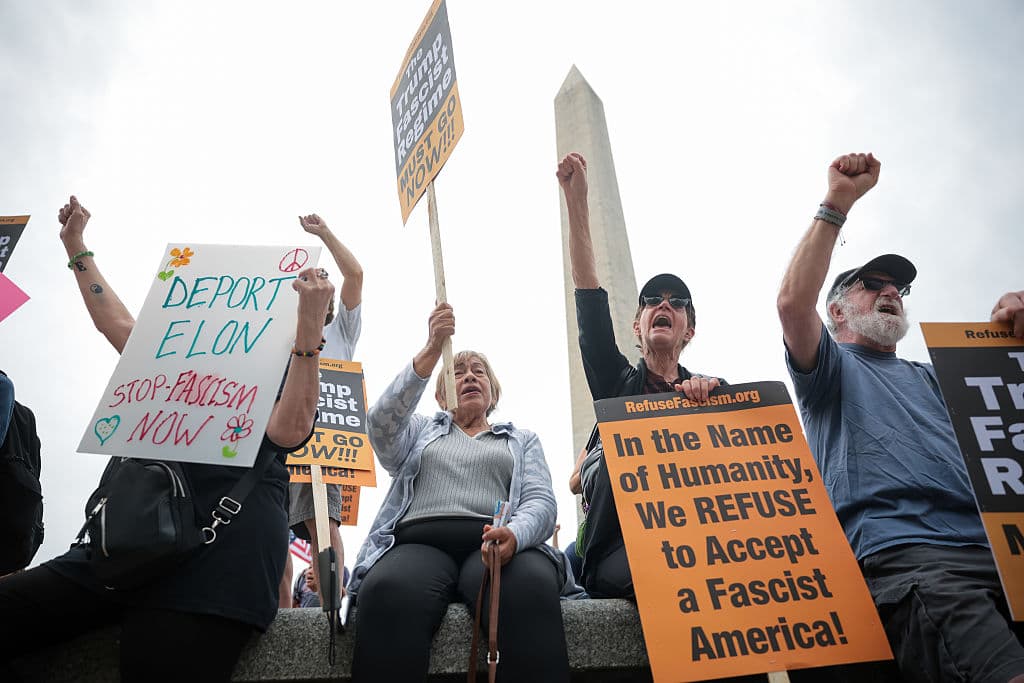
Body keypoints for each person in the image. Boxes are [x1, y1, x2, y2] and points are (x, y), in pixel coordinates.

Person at [0, 196, 328, 682]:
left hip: (217, 559)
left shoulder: (287, 364)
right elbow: (117, 323)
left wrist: (307, 332)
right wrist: (76, 247)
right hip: (130, 540)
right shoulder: (175, 356)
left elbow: (289, 429)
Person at [777, 153, 1024, 683]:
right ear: (838, 312)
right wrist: (837, 203)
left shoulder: (941, 378)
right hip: (911, 559)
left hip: (1003, 554)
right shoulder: (829, 371)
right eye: (873, 284)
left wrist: (1010, 334)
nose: (892, 292)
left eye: (899, 288)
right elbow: (794, 305)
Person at [348, 303, 575, 682]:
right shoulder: (418, 431)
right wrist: (431, 351)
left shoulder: (521, 440)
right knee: (387, 592)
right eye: (457, 371)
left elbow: (541, 501)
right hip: (417, 544)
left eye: (478, 372)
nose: (469, 376)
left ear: (492, 390)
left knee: (528, 590)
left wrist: (516, 535)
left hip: (495, 545)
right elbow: (380, 424)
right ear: (440, 397)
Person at [556, 152, 724, 598]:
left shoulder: (714, 396)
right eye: (652, 299)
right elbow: (590, 304)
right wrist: (576, 203)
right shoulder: (616, 387)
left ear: (690, 328)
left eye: (678, 301)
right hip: (622, 550)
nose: (664, 305)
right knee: (671, 569)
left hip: (700, 543)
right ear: (637, 325)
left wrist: (711, 409)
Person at [282, 212, 363, 608]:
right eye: (307, 279)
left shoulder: (342, 330)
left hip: (322, 440)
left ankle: (330, 612)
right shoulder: (282, 338)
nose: (316, 283)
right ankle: (280, 616)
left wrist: (325, 233)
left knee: (323, 524)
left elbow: (356, 275)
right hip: (277, 436)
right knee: (270, 530)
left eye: (322, 278)